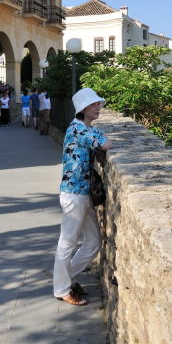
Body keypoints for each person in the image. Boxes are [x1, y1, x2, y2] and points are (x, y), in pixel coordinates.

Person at [53, 88, 112, 306]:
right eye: (95, 104)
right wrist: (100, 135)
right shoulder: (79, 129)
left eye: (99, 104)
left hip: (83, 193)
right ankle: (61, 289)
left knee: (93, 242)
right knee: (67, 243)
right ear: (84, 108)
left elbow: (101, 138)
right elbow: (106, 144)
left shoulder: (85, 128)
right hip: (73, 195)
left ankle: (67, 280)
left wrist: (99, 134)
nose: (99, 107)